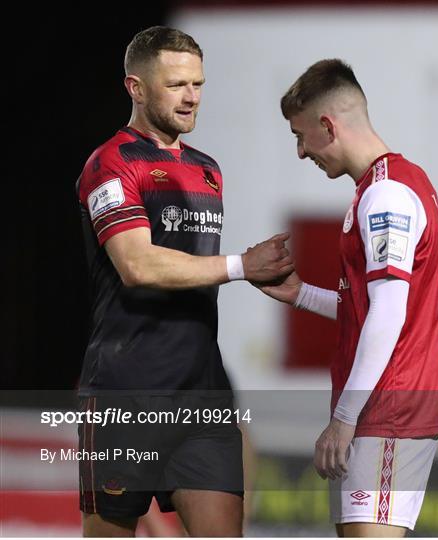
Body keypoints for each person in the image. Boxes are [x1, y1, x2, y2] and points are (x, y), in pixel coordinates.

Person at [76, 26, 293, 538]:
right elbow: (138, 265)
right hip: (127, 390)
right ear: (136, 88)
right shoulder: (110, 163)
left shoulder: (208, 169)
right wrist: (242, 266)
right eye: (176, 85)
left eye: (198, 83)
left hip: (203, 393)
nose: (191, 96)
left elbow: (195, 267)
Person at [257, 59, 438, 537]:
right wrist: (301, 295)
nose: (301, 152)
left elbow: (389, 311)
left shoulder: (385, 195)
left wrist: (345, 418)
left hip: (387, 410)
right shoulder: (393, 185)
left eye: (300, 136)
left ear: (328, 126)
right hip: (382, 409)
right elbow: (371, 309)